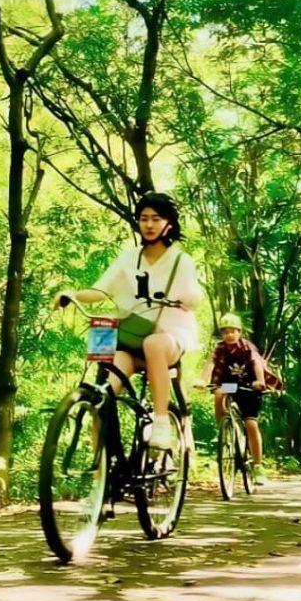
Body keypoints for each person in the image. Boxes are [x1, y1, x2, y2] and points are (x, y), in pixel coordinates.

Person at [53, 192, 202, 450]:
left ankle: (161, 424)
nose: (149, 224)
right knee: (104, 392)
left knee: (154, 344)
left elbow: (193, 293)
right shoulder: (129, 257)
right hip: (133, 339)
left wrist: (185, 298)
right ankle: (102, 465)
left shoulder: (180, 260)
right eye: (144, 218)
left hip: (171, 335)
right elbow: (101, 290)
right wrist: (72, 294)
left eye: (156, 218)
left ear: (169, 223)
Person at [204, 313, 267, 485]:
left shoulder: (247, 347)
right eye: (225, 332)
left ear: (239, 332)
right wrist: (203, 380)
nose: (229, 335)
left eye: (233, 331)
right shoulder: (220, 348)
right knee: (218, 394)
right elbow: (211, 363)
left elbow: (257, 363)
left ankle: (258, 465)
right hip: (230, 385)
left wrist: (260, 381)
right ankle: (223, 428)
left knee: (251, 424)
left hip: (248, 385)